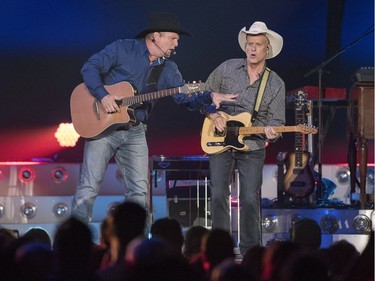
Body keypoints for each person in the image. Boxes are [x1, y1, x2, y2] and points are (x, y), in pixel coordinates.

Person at [71, 12, 237, 224]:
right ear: (155, 36)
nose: (176, 44)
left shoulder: (168, 69)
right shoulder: (123, 48)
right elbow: (89, 67)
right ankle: (73, 243)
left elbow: (184, 98)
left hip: (135, 130)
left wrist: (209, 97)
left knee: (139, 191)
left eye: (177, 39)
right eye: (173, 38)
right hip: (102, 128)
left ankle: (136, 248)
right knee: (88, 187)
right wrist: (103, 96)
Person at [202, 21, 285, 255]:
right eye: (249, 44)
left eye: (258, 45)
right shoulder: (227, 68)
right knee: (218, 193)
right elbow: (203, 96)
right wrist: (213, 113)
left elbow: (277, 121)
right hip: (219, 140)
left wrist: (273, 131)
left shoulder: (276, 84)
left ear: (267, 49)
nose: (252, 49)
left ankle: (250, 252)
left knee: (249, 197)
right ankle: (220, 249)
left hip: (253, 144)